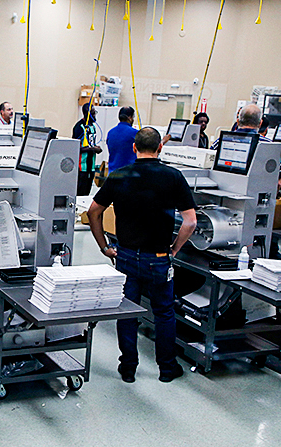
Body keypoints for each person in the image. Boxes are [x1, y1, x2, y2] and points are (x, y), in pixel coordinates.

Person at [87, 127, 197, 384]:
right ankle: (167, 369)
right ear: (160, 148)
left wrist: (104, 246)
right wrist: (174, 249)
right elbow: (190, 222)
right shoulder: (174, 177)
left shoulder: (119, 175)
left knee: (127, 312)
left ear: (134, 148)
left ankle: (128, 368)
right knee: (164, 313)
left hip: (125, 256)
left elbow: (93, 212)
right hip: (158, 257)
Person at [72, 103, 103, 196]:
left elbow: (90, 143)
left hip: (91, 165)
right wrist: (92, 149)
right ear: (87, 114)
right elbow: (75, 147)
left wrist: (95, 148)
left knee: (87, 193)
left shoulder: (92, 127)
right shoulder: (79, 127)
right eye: (93, 114)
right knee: (80, 193)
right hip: (82, 167)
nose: (95, 116)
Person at [106, 106, 138, 172]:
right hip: (128, 174)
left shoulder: (110, 133)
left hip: (112, 174)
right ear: (130, 118)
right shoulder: (134, 133)